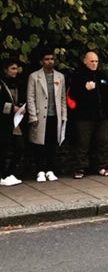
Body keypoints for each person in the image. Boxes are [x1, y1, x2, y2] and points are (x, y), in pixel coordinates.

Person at [68, 51, 108, 179]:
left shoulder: (102, 76)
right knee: (83, 142)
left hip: (102, 115)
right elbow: (72, 94)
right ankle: (80, 168)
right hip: (84, 116)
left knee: (103, 142)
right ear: (85, 61)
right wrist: (84, 89)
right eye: (92, 61)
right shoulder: (78, 76)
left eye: (96, 61)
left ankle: (102, 166)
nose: (94, 64)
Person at [26, 49, 67, 182]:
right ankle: (40, 170)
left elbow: (62, 98)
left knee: (52, 143)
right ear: (41, 62)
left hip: (55, 115)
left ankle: (50, 169)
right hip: (40, 115)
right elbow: (30, 97)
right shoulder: (34, 77)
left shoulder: (60, 76)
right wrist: (32, 116)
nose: (50, 62)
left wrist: (64, 116)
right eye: (47, 59)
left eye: (52, 59)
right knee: (39, 144)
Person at [0, 58, 26, 186]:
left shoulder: (16, 84)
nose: (15, 71)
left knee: (20, 147)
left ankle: (9, 173)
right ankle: (3, 175)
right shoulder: (2, 84)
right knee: (3, 149)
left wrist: (21, 107)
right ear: (6, 70)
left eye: (16, 68)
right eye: (12, 69)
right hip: (4, 122)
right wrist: (12, 108)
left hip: (15, 122)